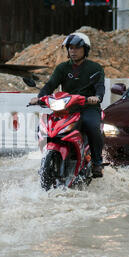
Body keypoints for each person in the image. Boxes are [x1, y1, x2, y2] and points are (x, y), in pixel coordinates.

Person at [29, 32, 105, 178]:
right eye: (70, 48)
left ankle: (97, 162)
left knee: (92, 126)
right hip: (66, 107)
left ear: (85, 50)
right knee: (44, 126)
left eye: (77, 48)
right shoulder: (62, 68)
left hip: (88, 107)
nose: (72, 51)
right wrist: (39, 98)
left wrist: (97, 97)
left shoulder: (95, 68)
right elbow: (50, 85)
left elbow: (100, 87)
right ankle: (48, 155)